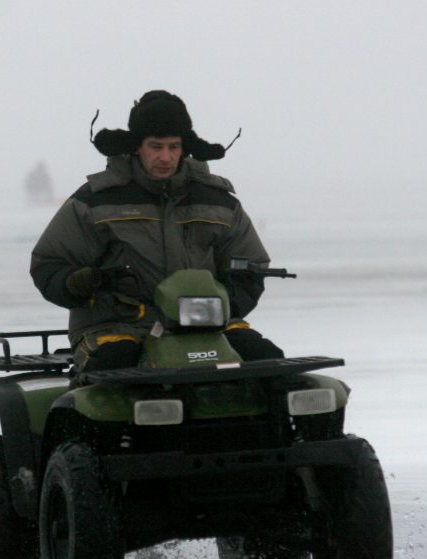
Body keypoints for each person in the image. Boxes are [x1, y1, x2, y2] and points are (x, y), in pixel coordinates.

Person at [30, 90, 282, 375]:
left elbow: (251, 265)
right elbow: (48, 265)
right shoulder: (95, 202)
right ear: (137, 146)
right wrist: (78, 283)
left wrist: (224, 304)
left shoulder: (219, 202)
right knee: (113, 375)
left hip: (207, 325)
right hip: (118, 327)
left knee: (269, 365)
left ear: (185, 148)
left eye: (174, 147)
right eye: (156, 146)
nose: (165, 157)